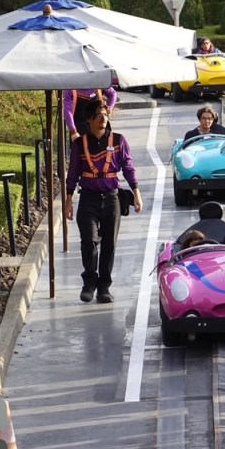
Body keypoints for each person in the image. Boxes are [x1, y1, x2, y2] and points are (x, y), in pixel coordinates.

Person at [65, 99, 143, 303]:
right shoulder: (79, 143)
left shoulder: (118, 140)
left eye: (105, 114)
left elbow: (128, 166)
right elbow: (73, 172)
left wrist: (136, 192)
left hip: (112, 197)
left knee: (109, 243)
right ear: (89, 119)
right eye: (98, 114)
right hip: (88, 197)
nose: (103, 118)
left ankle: (104, 287)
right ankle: (89, 282)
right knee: (89, 241)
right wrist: (68, 199)